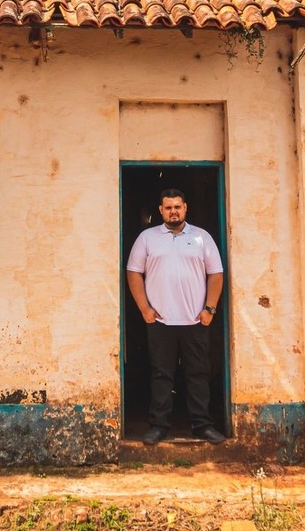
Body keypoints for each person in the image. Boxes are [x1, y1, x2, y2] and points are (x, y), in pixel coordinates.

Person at [126, 188, 225, 445]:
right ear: (161, 210)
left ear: (185, 208)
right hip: (160, 321)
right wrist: (145, 309)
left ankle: (202, 425)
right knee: (161, 375)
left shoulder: (201, 237)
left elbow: (216, 274)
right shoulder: (147, 238)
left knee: (198, 374)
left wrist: (209, 310)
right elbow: (133, 272)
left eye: (177, 207)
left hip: (195, 320)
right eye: (168, 207)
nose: (173, 212)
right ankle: (158, 426)